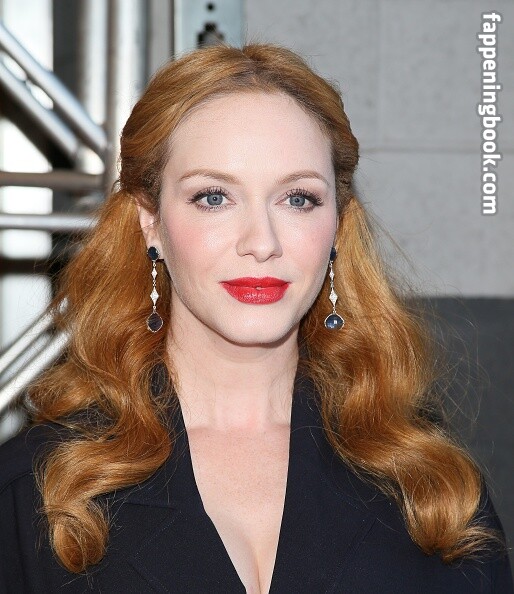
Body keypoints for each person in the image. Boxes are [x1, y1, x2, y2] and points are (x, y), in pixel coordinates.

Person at [0, 43, 512, 594]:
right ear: (151, 220)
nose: (262, 242)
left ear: (338, 225)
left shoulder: (432, 488)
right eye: (213, 197)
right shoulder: (38, 488)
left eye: (298, 199)